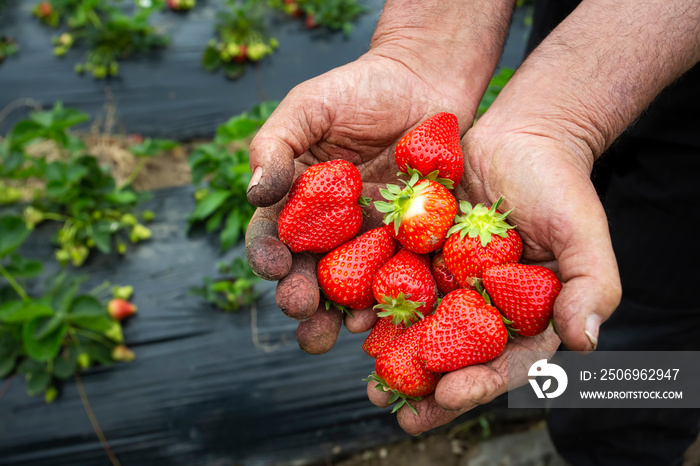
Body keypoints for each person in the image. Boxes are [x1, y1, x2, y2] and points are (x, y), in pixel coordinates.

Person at [245, 0, 700, 463]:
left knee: (649, 344)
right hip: (569, 46)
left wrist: (556, 125)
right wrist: (423, 53)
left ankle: (623, 443)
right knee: (563, 339)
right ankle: (581, 422)